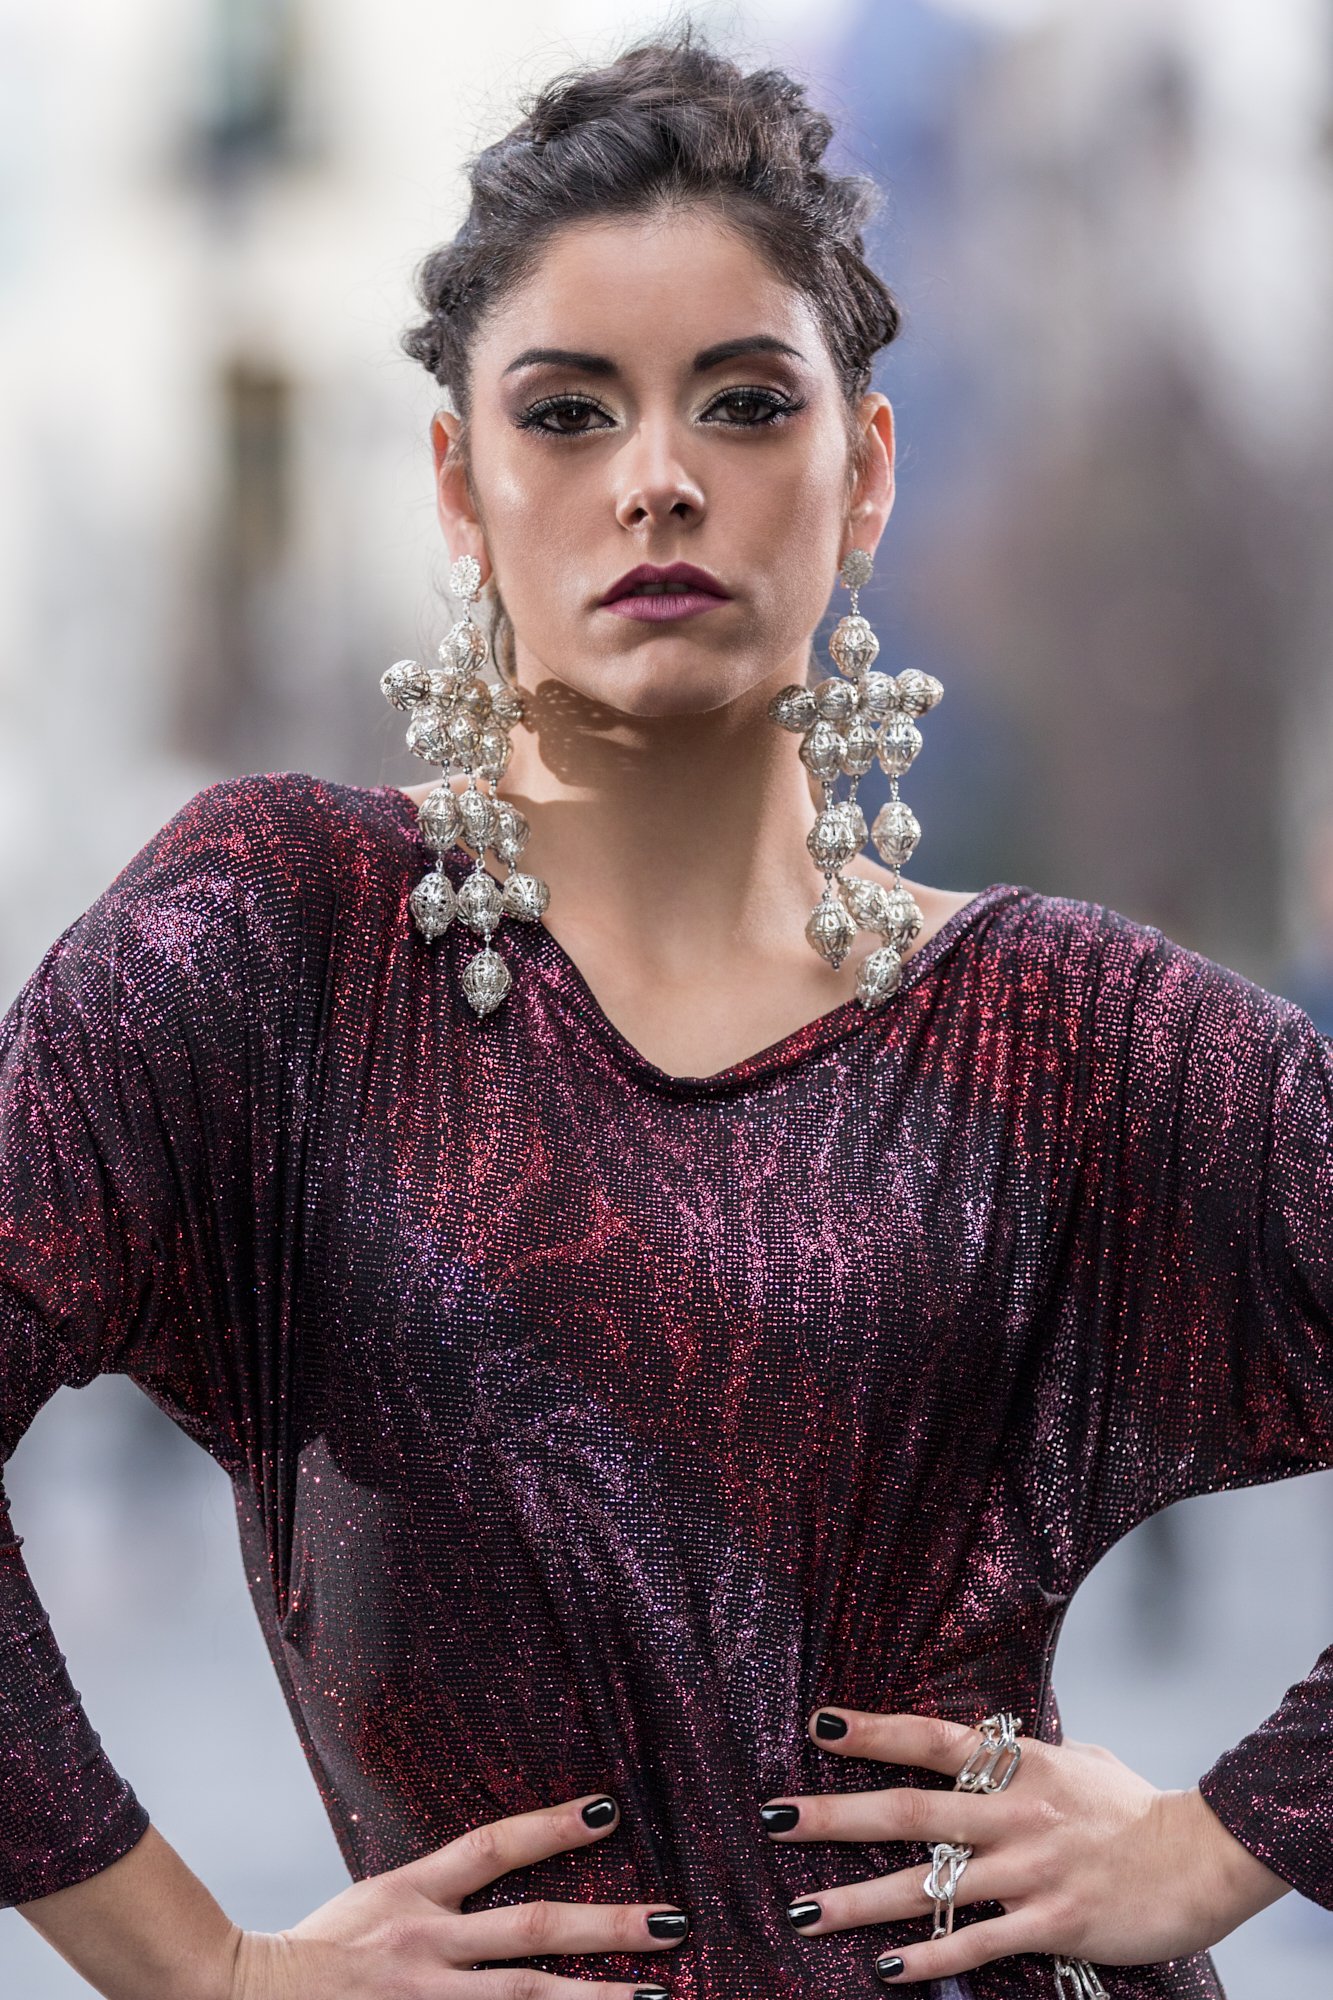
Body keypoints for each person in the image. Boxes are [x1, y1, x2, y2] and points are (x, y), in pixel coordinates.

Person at [2, 26, 1331, 2000]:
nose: (655, 481)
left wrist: (1218, 1844)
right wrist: (202, 1969)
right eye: (566, 412)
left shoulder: (1061, 1029)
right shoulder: (274, 947)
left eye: (743, 402)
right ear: (458, 486)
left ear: (862, 469)